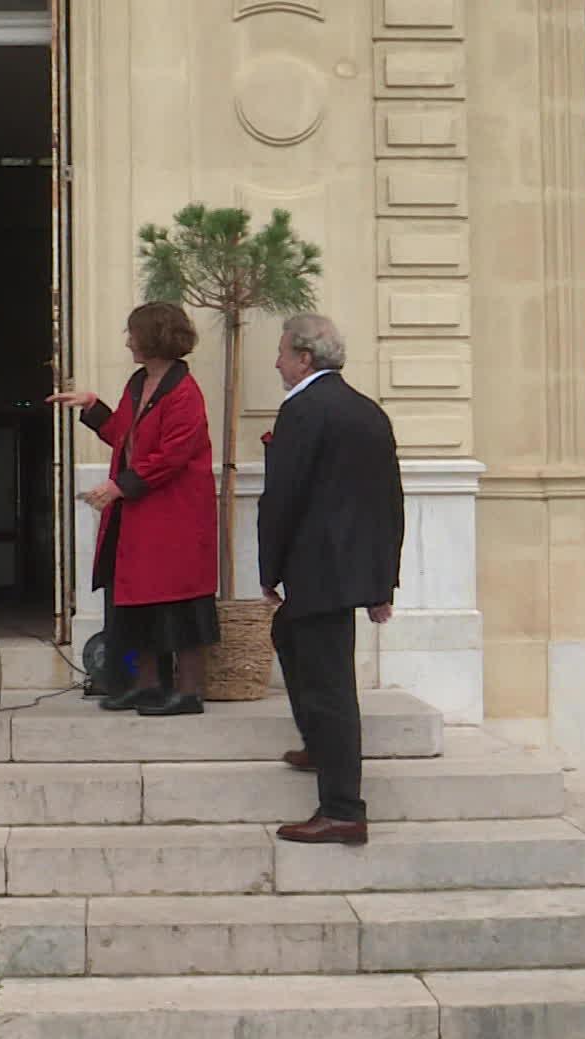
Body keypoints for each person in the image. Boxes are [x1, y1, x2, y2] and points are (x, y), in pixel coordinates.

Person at [259, 313, 404, 844]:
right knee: (289, 638)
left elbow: (283, 497)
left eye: (281, 353)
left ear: (304, 357)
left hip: (316, 567)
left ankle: (343, 808)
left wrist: (269, 569)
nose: (275, 362)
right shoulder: (368, 411)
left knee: (330, 689)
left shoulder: (302, 409)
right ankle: (319, 745)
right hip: (348, 569)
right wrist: (381, 582)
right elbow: (390, 500)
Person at [48, 302, 219, 715]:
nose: (128, 341)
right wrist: (92, 406)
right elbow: (122, 435)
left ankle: (188, 692)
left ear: (154, 335)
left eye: (133, 333)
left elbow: (172, 455)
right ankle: (146, 686)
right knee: (138, 602)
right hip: (143, 513)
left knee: (180, 605)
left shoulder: (185, 393)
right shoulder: (138, 383)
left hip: (175, 515)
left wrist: (118, 486)